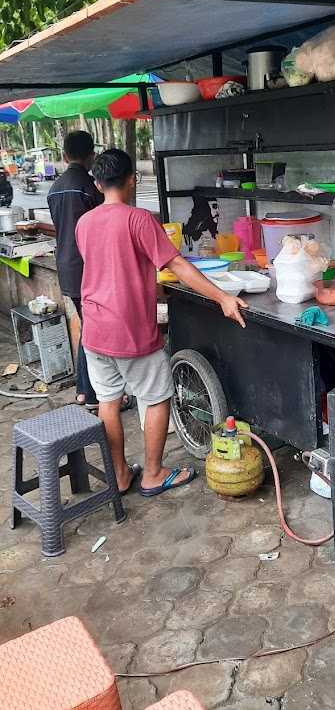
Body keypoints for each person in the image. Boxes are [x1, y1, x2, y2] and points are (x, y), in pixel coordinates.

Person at [76, 148, 247, 497]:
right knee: (157, 398)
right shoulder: (138, 218)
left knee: (108, 400)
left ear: (96, 183)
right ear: (131, 179)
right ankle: (153, 474)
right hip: (129, 330)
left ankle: (121, 475)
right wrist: (223, 297)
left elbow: (112, 267)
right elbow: (179, 266)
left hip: (94, 329)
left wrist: (150, 289)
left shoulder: (85, 222)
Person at [48, 131, 103, 408]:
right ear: (91, 155)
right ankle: (89, 391)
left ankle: (85, 390)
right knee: (92, 329)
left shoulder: (54, 187)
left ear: (65, 156)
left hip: (66, 268)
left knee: (88, 326)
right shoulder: (89, 187)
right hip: (88, 268)